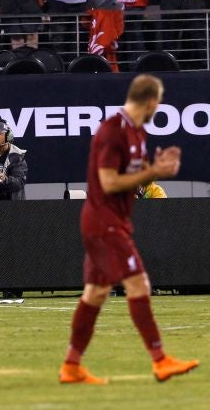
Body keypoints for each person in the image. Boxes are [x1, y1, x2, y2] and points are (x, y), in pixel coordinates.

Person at [59, 74, 199, 385]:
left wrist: (154, 170)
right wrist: (154, 171)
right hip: (104, 221)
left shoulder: (137, 133)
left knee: (95, 294)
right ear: (150, 102)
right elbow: (109, 182)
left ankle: (71, 365)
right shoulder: (113, 131)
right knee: (139, 285)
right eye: (158, 103)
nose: (158, 108)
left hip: (112, 220)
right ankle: (160, 360)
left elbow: (135, 178)